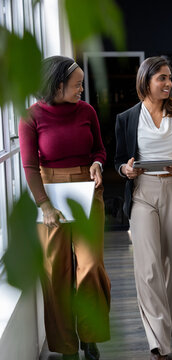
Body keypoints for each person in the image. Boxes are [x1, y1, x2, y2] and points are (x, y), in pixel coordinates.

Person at [19, 56, 110, 360]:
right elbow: (30, 167)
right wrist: (44, 205)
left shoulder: (86, 111)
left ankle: (90, 336)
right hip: (49, 198)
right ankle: (67, 347)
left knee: (91, 267)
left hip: (86, 191)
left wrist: (97, 164)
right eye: (77, 84)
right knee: (56, 272)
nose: (82, 89)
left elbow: (99, 148)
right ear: (57, 85)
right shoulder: (31, 116)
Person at [114, 56, 172, 360]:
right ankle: (158, 338)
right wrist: (127, 170)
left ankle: (168, 320)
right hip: (142, 192)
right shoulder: (127, 118)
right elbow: (119, 160)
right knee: (148, 268)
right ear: (146, 80)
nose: (168, 83)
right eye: (161, 78)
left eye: (170, 78)